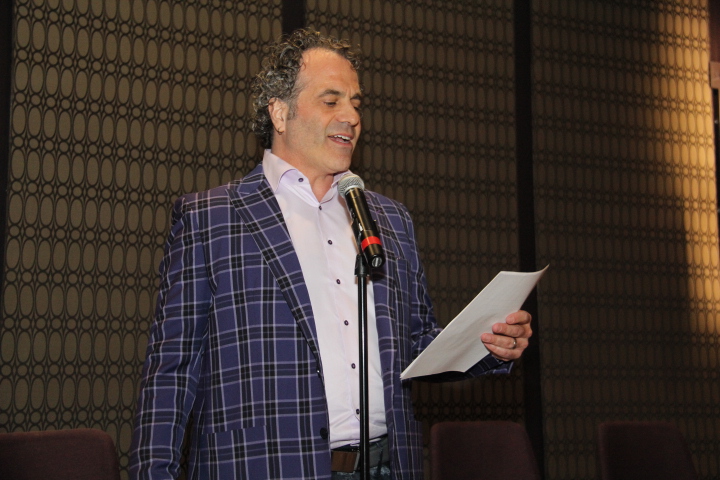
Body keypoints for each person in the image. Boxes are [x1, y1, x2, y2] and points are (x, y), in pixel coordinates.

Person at [129, 29, 532, 480]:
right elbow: (171, 372)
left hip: (387, 466)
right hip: (264, 467)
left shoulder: (389, 219)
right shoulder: (211, 218)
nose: (351, 117)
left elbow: (416, 345)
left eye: (356, 103)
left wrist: (488, 345)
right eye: (331, 101)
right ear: (280, 112)